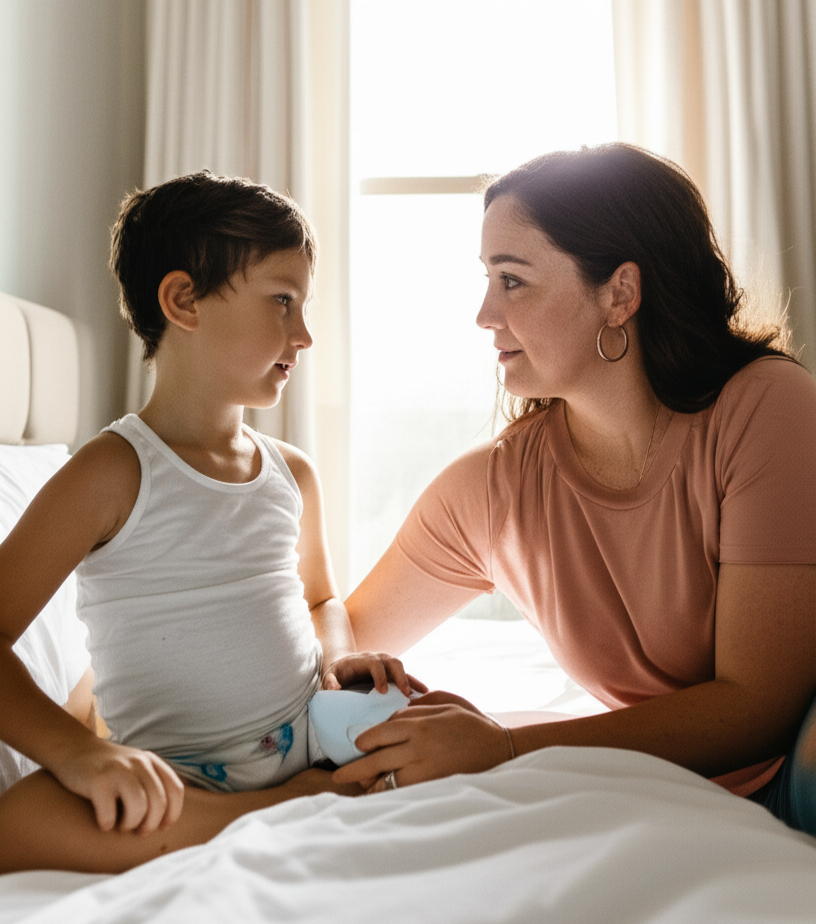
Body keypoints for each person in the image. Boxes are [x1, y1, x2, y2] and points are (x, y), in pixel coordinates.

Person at [336, 143, 816, 837]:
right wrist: (352, 667)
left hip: (794, 772)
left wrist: (503, 748)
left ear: (620, 293)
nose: (483, 314)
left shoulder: (766, 408)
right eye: (487, 279)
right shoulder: (498, 487)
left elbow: (757, 708)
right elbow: (345, 630)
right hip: (668, 796)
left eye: (513, 281)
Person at [0, 171, 414, 874]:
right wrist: (83, 752)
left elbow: (319, 597)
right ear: (184, 300)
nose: (304, 334)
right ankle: (269, 813)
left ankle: (304, 794)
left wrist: (340, 659)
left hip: (313, 740)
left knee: (445, 729)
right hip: (182, 783)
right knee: (17, 823)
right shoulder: (112, 472)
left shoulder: (292, 472)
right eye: (282, 302)